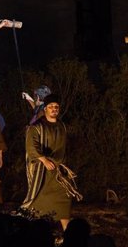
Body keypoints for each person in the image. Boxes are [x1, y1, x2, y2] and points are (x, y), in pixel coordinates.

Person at [21, 94, 82, 232]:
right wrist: (43, 159)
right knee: (39, 200)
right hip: (42, 171)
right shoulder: (36, 127)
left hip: (59, 171)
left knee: (64, 200)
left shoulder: (62, 126)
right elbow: (31, 146)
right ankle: (32, 230)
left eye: (56, 107)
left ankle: (67, 232)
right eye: (51, 107)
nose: (54, 109)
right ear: (46, 109)